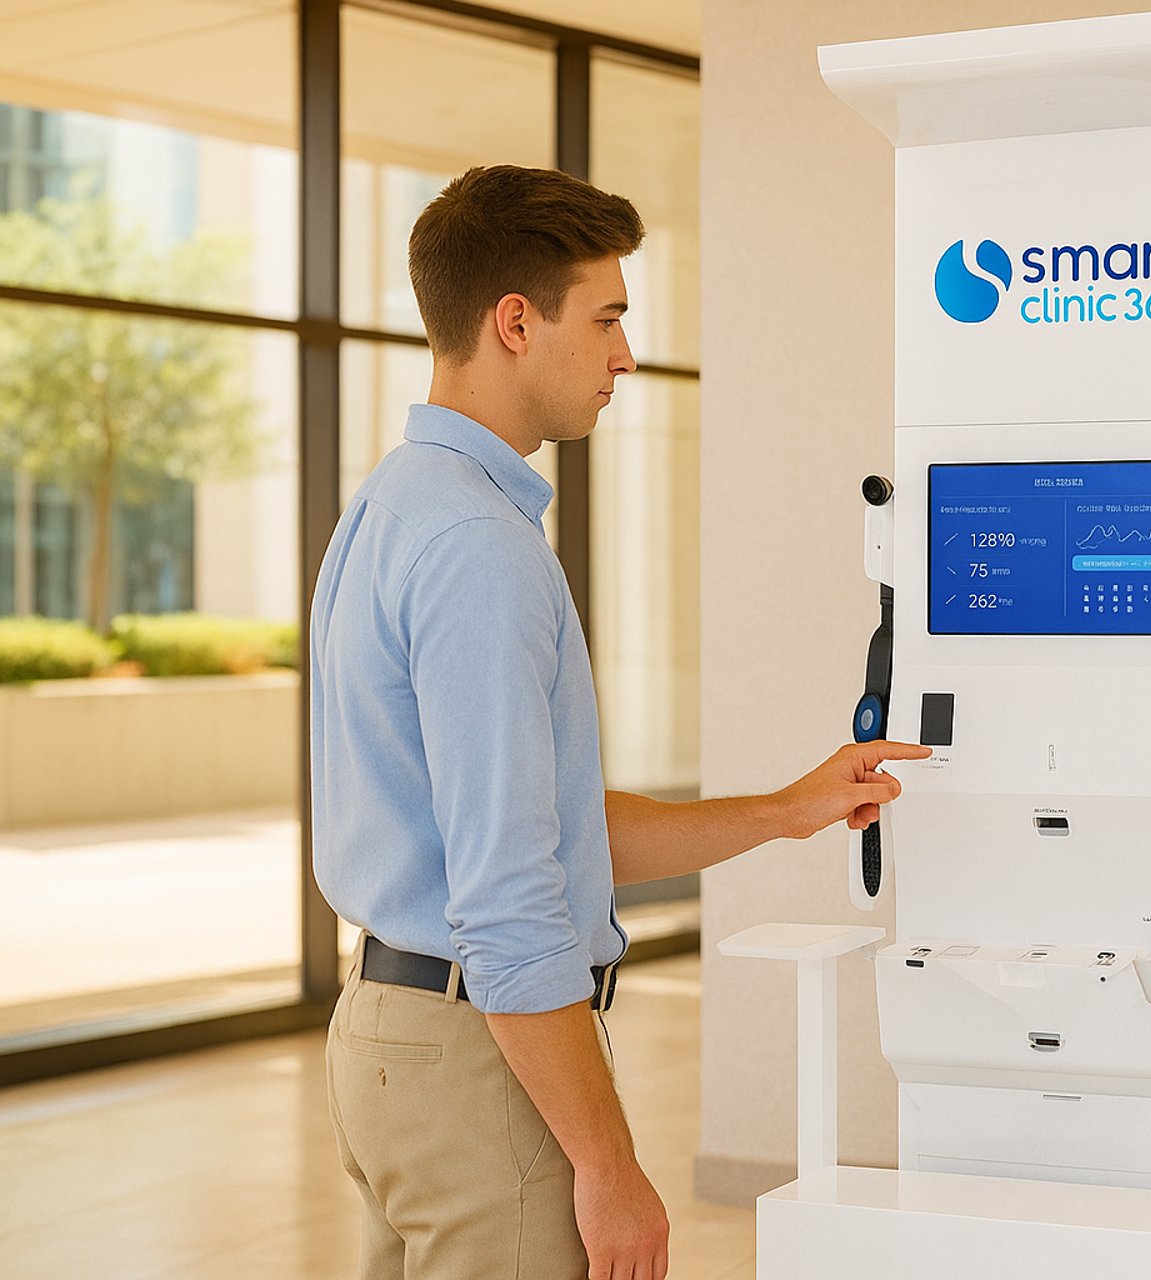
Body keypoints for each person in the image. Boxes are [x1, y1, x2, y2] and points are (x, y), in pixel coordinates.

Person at [310, 165, 929, 1280]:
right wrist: (610, 1165)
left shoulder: (393, 505)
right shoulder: (479, 552)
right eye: (606, 319)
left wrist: (789, 810)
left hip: (392, 1038)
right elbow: (506, 895)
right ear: (514, 322)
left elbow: (534, 828)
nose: (623, 356)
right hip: (477, 1064)